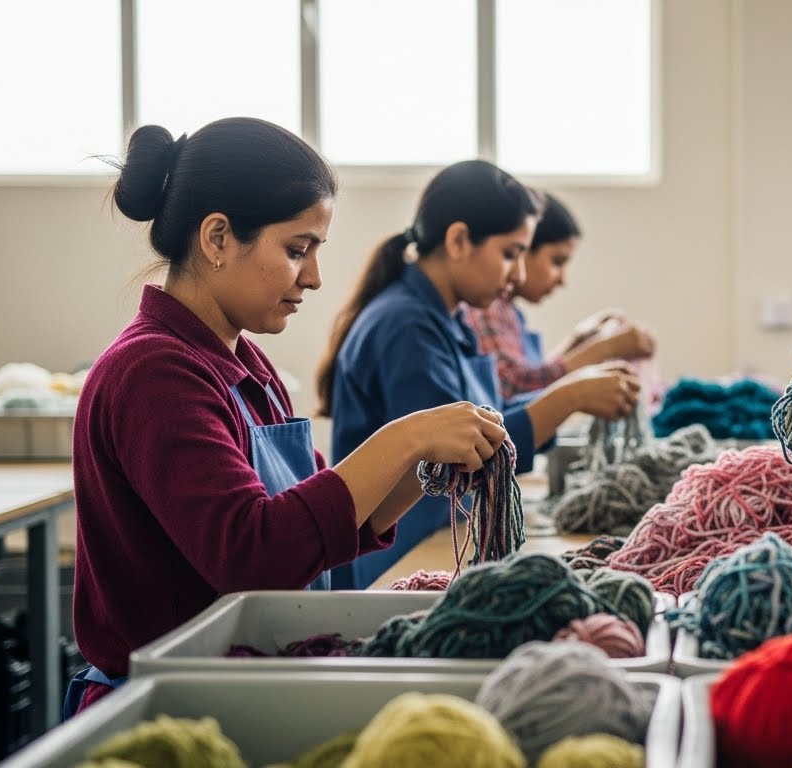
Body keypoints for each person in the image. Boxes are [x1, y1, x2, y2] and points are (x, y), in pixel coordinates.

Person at [67, 118, 508, 717]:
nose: (315, 277)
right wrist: (405, 436)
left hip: (240, 681)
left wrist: (425, 460)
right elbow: (253, 553)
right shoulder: (152, 372)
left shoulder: (244, 362)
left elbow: (325, 523)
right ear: (218, 238)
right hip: (167, 705)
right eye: (297, 249)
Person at [317, 161, 640, 589]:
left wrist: (569, 395)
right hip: (394, 565)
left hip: (438, 546)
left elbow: (489, 423)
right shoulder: (404, 327)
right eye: (510, 253)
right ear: (458, 240)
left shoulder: (447, 319)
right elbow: (462, 451)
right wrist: (569, 397)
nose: (518, 276)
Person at [463, 192, 657, 399]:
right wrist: (605, 349)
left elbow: (534, 381)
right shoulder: (484, 308)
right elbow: (513, 387)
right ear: (524, 249)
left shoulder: (510, 313)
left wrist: (578, 343)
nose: (563, 280)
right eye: (557, 261)